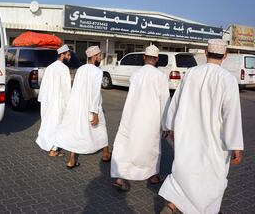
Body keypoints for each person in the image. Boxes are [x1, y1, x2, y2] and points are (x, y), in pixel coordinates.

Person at [159, 39, 244, 214]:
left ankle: (172, 204)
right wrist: (235, 144)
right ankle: (204, 209)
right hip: (214, 138)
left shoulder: (191, 73)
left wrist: (170, 125)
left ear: (206, 52)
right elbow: (232, 114)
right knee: (212, 175)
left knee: (184, 167)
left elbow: (176, 101)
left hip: (188, 132)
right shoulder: (228, 79)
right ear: (225, 56)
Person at [111, 45, 170, 191]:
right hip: (151, 119)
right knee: (151, 148)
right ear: (156, 59)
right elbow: (165, 101)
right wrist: (166, 124)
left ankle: (120, 177)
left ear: (144, 57)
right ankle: (153, 176)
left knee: (126, 145)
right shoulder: (160, 76)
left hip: (131, 116)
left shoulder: (135, 74)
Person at [55, 46, 111, 169]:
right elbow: (95, 93)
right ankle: (106, 154)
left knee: (76, 131)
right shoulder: (97, 71)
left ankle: (71, 160)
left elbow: (76, 89)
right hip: (91, 106)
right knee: (101, 127)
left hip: (77, 106)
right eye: (100, 56)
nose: (101, 58)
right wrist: (95, 112)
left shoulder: (81, 69)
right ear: (95, 56)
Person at [36, 44, 72, 157]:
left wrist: (42, 99)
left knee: (48, 123)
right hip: (58, 103)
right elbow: (66, 89)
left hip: (48, 101)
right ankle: (53, 150)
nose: (70, 57)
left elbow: (43, 85)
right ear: (62, 55)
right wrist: (69, 104)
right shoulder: (64, 69)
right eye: (68, 55)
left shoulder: (50, 67)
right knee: (56, 124)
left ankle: (48, 144)